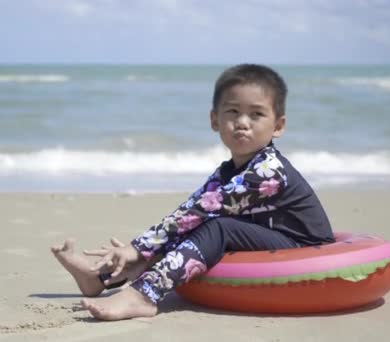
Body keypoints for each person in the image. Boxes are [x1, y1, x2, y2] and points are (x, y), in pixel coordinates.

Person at [51, 64, 334, 321]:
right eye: (233, 112)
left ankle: (143, 295)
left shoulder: (268, 171)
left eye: (256, 114)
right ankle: (99, 278)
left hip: (303, 246)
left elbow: (202, 211)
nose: (243, 122)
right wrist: (139, 249)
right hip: (265, 235)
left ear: (278, 126)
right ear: (215, 120)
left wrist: (137, 247)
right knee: (196, 226)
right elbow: (191, 210)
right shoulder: (227, 170)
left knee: (217, 226)